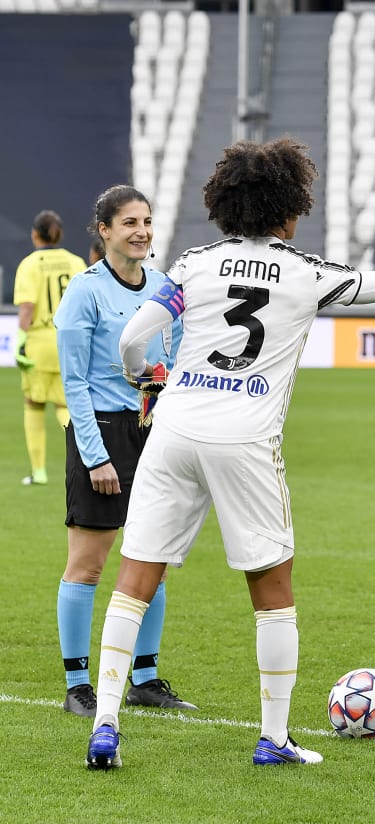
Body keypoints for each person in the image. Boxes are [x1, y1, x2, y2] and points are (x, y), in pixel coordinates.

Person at [84, 136, 375, 770]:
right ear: (290, 208)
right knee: (271, 589)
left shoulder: (195, 262)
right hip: (244, 440)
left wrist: (142, 376)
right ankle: (274, 738)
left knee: (136, 580)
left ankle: (104, 725)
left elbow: (132, 336)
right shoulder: (308, 274)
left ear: (226, 204)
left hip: (175, 428)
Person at [54, 185, 197, 718]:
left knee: (151, 556)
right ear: (105, 231)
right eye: (129, 222)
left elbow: (179, 358)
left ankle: (145, 678)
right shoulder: (84, 293)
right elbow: (75, 384)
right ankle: (77, 685)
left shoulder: (165, 287)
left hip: (154, 431)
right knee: (87, 565)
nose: (141, 231)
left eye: (147, 221)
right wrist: (95, 456)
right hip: (103, 434)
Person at [13, 210, 86, 486]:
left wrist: (21, 341)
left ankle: (39, 472)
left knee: (33, 403)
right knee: (66, 404)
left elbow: (28, 306)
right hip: (70, 341)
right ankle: (88, 456)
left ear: (35, 234)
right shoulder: (76, 262)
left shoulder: (30, 264)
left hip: (40, 341)